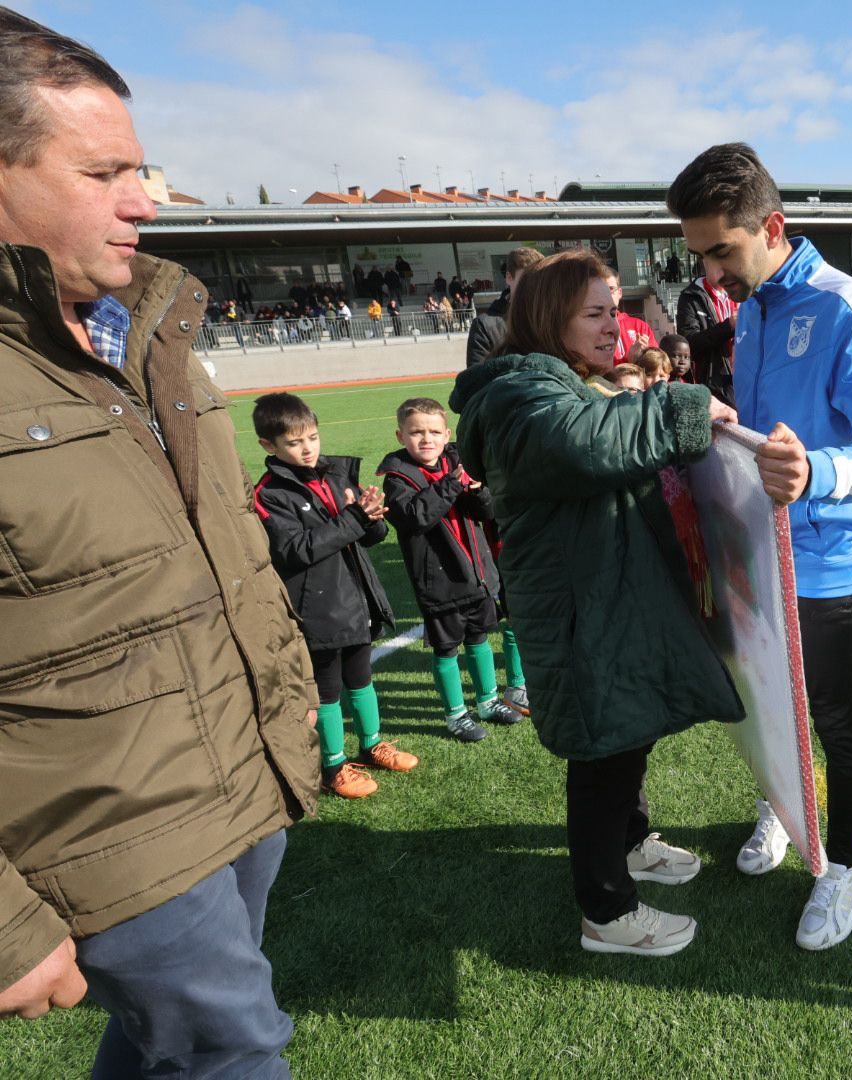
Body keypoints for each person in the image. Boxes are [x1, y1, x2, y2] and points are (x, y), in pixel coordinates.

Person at [0, 12, 319, 1072]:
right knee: (239, 1052)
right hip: (104, 829)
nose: (146, 200)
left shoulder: (146, 332)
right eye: (104, 172)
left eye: (141, 169)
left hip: (241, 773)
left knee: (165, 1053)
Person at [448, 248, 742, 957]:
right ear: (551, 319)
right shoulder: (520, 396)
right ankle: (605, 913)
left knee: (625, 737)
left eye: (616, 309)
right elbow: (587, 445)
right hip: (581, 615)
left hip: (603, 601)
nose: (617, 325)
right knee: (603, 759)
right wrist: (685, 403)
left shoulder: (562, 383)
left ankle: (633, 846)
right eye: (595, 313)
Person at [667, 142, 852, 949]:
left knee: (836, 720)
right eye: (700, 254)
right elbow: (769, 435)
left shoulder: (845, 306)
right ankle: (780, 807)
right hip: (757, 553)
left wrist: (815, 472)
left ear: (771, 226)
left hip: (830, 562)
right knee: (765, 704)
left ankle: (845, 869)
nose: (709, 274)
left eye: (720, 251)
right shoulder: (755, 309)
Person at [251, 393, 415, 798]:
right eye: (294, 442)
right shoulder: (270, 494)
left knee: (361, 678)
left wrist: (372, 517)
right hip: (317, 608)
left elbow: (368, 536)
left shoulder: (335, 475)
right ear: (268, 446)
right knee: (327, 690)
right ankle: (333, 765)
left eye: (312, 437)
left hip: (355, 598)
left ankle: (373, 742)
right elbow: (295, 551)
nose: (307, 449)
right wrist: (354, 518)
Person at [378, 399, 523, 743]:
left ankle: (488, 701)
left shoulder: (456, 463)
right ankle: (456, 714)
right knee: (446, 649)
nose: (426, 439)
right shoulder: (397, 478)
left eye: (433, 432)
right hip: (439, 584)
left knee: (479, 639)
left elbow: (487, 512)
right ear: (401, 435)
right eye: (416, 432)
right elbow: (415, 516)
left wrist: (478, 490)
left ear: (446, 435)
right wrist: (452, 484)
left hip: (477, 575)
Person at [467, 247, 545, 367]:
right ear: (509, 277)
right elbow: (475, 382)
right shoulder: (484, 326)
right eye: (527, 278)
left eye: (539, 280)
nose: (534, 286)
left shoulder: (549, 320)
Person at [676, 271, 738, 403]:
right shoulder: (690, 297)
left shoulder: (745, 292)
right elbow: (689, 344)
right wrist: (729, 326)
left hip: (745, 382)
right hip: (713, 387)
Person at [606, 270, 655, 364]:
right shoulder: (589, 327)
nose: (607, 294)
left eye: (611, 289)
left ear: (619, 293)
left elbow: (657, 366)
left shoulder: (640, 326)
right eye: (602, 290)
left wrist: (644, 357)